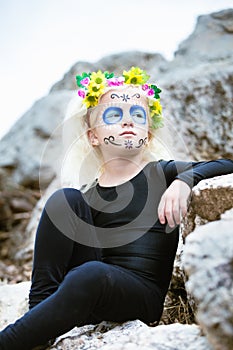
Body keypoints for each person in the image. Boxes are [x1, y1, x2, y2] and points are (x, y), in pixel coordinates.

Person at [0, 66, 232, 350]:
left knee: (92, 274)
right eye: (113, 115)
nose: (128, 122)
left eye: (137, 115)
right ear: (93, 136)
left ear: (147, 135)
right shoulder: (87, 196)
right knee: (65, 200)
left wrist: (185, 180)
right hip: (87, 285)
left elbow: (226, 165)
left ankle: (10, 341)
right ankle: (40, 318)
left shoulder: (161, 173)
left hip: (138, 294)